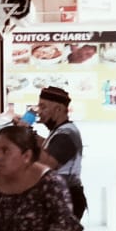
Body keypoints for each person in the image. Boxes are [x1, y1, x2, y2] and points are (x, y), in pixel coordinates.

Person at [35, 85, 86, 219]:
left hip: (67, 198)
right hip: (62, 195)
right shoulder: (60, 131)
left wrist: (26, 136)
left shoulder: (66, 134)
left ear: (58, 109)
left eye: (43, 107)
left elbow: (47, 164)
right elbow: (48, 144)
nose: (39, 112)